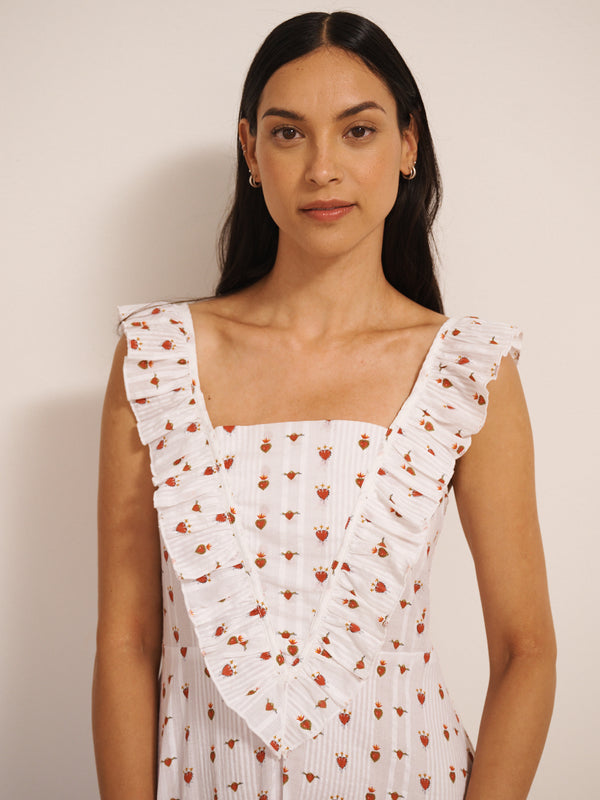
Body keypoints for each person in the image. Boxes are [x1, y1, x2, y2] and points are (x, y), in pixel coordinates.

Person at [92, 11, 556, 800]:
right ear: (251, 152)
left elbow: (526, 652)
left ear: (408, 145)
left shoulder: (465, 369)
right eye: (288, 134)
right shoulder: (159, 357)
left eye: (358, 131)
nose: (322, 169)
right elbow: (127, 643)